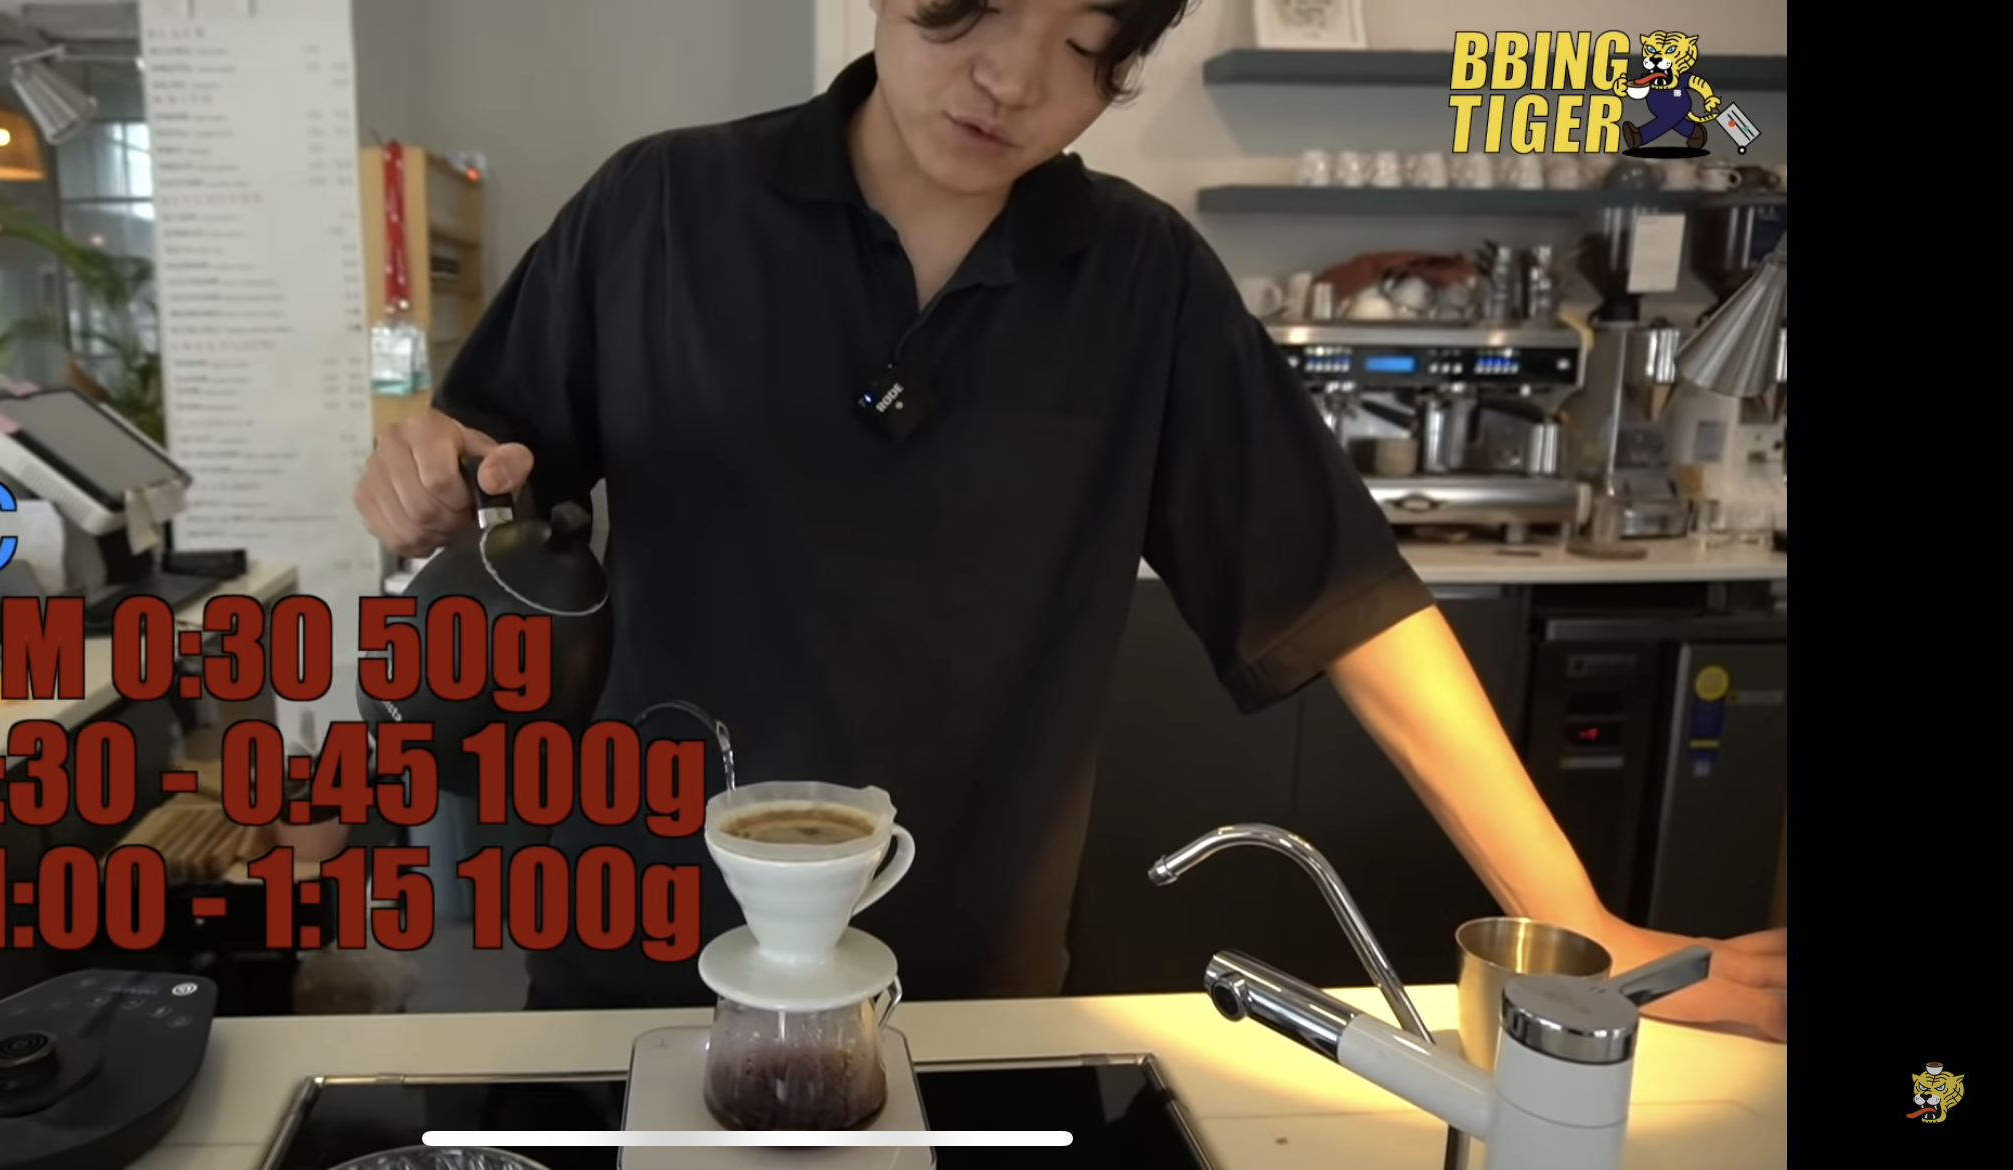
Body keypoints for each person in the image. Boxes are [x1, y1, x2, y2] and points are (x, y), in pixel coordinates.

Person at [352, 0, 1787, 1042]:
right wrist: (420, 466)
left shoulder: (1142, 284)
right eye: (967, 9)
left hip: (965, 992)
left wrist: (1579, 925)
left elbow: (1350, 601)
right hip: (642, 961)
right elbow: (484, 477)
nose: (1012, 77)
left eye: (1088, 40)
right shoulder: (659, 211)